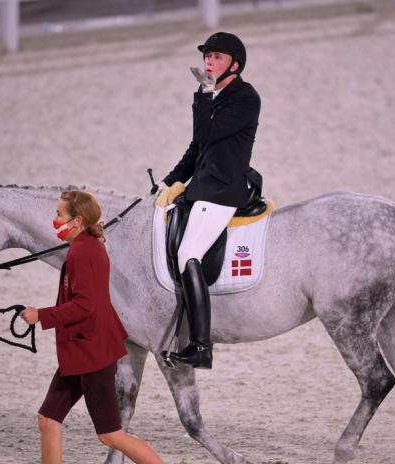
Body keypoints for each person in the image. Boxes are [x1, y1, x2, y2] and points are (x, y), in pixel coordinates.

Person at [20, 190, 164, 464]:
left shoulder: (83, 252)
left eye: (59, 214)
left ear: (76, 221)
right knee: (48, 419)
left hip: (92, 354)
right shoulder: (83, 246)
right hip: (81, 351)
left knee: (112, 435)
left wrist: (41, 315)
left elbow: (86, 305)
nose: (55, 219)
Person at [156, 32, 262, 369]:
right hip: (201, 187)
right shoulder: (215, 96)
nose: (208, 62)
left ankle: (201, 346)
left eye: (216, 57)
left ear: (235, 64)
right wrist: (168, 181)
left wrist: (203, 94)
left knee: (189, 254)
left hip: (224, 190)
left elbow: (206, 135)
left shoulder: (246, 98)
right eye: (207, 56)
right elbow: (196, 148)